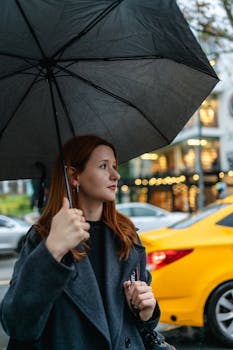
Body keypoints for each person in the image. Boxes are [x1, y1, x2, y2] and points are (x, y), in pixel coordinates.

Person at [0, 134, 165, 350]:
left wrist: (147, 312)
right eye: (104, 166)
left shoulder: (127, 235)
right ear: (74, 175)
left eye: (114, 166)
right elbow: (17, 325)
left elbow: (138, 324)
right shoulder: (43, 236)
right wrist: (52, 250)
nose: (115, 175)